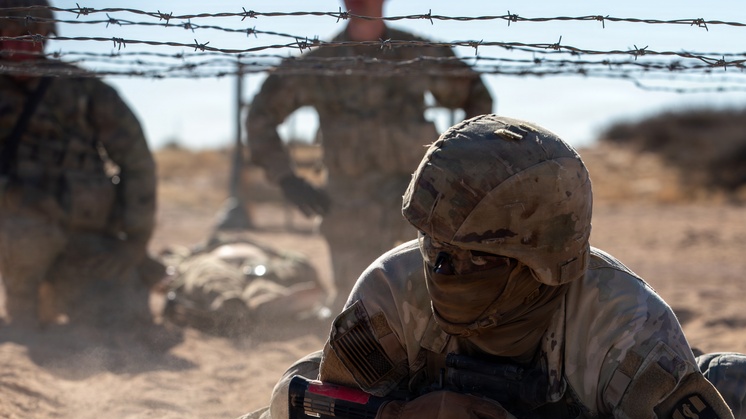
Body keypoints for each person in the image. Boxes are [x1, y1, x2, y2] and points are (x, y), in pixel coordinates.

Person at [207, 115, 746, 419]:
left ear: (542, 265)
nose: (441, 269)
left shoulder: (625, 331)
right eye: (435, 247)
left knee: (733, 388)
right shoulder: (393, 295)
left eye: (476, 257)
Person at [244, 0, 493, 313]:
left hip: (418, 198)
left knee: (433, 304)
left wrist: (456, 165)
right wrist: (286, 178)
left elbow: (476, 97)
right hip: (351, 208)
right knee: (356, 312)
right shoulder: (322, 63)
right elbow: (260, 116)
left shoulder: (415, 53)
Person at [0, 0, 162, 331]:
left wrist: (134, 242)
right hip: (17, 234)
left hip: (85, 235)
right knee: (25, 234)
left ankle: (53, 299)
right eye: (9, 34)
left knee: (124, 319)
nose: (19, 44)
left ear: (46, 36)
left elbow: (137, 162)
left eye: (30, 35)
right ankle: (24, 317)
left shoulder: (82, 89)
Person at [159, 235, 330, 338]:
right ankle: (235, 304)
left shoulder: (271, 251)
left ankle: (261, 304)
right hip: (216, 264)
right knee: (213, 277)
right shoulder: (200, 253)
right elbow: (168, 263)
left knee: (260, 286)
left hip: (259, 268)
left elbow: (301, 263)